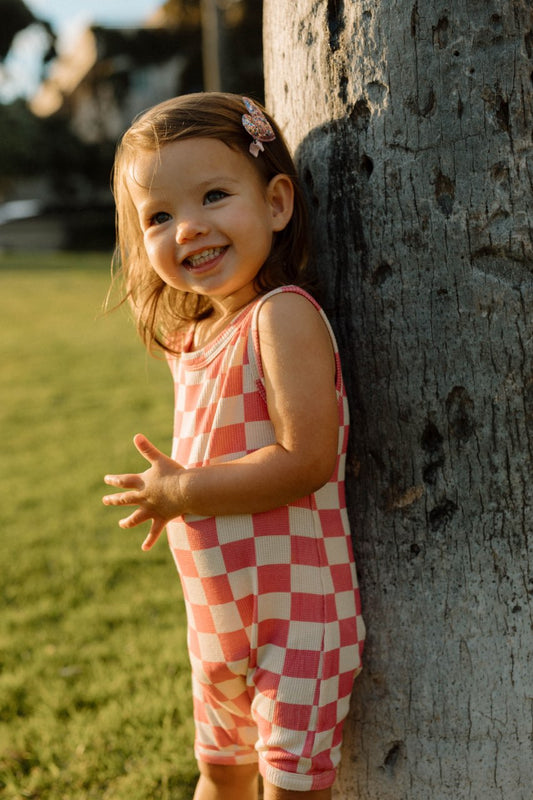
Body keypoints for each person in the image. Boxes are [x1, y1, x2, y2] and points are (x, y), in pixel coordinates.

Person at [102, 92, 365, 800]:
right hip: (218, 616)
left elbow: (304, 459)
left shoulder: (280, 318)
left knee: (287, 787)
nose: (187, 228)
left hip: (296, 619)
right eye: (157, 216)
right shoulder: (194, 341)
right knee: (217, 774)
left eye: (214, 195)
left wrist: (179, 492)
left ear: (276, 203)